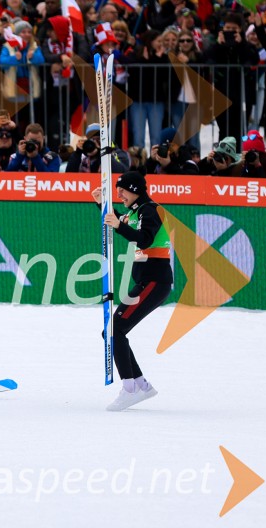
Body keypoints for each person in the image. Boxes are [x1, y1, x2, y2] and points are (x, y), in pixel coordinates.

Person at [92, 172, 171, 412]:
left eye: (122, 190)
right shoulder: (137, 211)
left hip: (154, 281)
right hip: (146, 282)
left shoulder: (151, 210)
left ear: (135, 188)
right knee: (115, 331)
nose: (119, 195)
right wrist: (101, 204)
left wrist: (118, 224)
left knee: (114, 330)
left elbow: (144, 239)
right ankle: (140, 385)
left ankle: (129, 389)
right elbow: (119, 221)